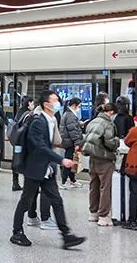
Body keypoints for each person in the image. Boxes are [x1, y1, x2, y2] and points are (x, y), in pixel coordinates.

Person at [10, 89, 86, 249]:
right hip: (34, 168)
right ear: (46, 104)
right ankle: (16, 232)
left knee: (57, 200)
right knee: (26, 201)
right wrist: (61, 160)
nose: (57, 102)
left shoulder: (51, 120)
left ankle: (66, 236)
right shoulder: (38, 121)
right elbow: (40, 147)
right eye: (54, 100)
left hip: (46, 170)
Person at [82, 102, 119, 226]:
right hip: (104, 159)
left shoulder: (92, 122)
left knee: (94, 186)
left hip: (92, 158)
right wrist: (117, 141)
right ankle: (103, 216)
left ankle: (93, 213)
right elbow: (110, 142)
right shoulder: (108, 124)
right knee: (105, 187)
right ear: (111, 112)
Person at [59, 97, 84, 189]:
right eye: (79, 106)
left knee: (73, 161)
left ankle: (72, 180)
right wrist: (77, 143)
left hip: (68, 141)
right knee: (69, 161)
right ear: (74, 105)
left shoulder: (68, 114)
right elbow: (72, 131)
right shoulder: (70, 115)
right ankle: (64, 181)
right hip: (70, 142)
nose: (79, 108)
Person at [10, 96, 34, 191]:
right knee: (26, 162)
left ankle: (15, 183)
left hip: (17, 141)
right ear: (28, 104)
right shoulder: (28, 114)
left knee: (16, 160)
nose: (33, 105)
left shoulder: (19, 112)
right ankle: (28, 185)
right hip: (23, 142)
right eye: (32, 103)